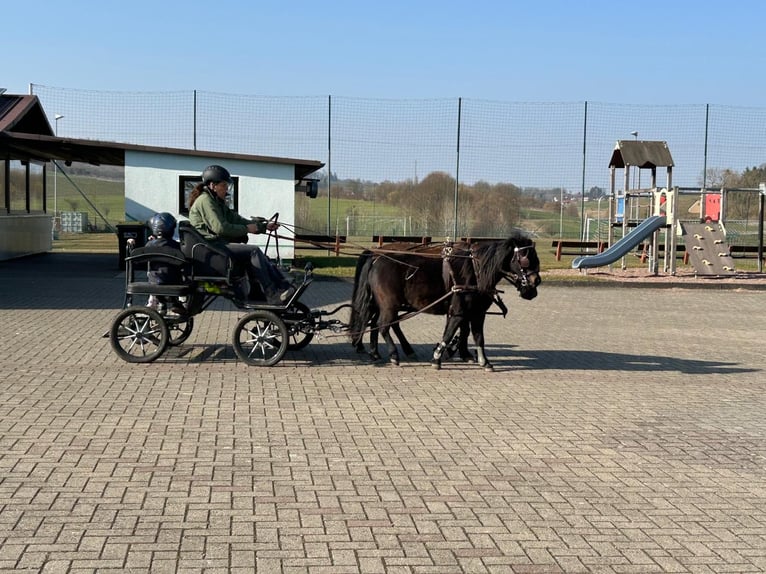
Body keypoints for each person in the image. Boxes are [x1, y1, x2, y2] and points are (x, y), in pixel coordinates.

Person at [187, 164, 295, 304]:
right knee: (254, 252)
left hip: (216, 246)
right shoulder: (205, 201)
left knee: (259, 257)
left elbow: (236, 219)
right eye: (224, 186)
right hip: (212, 248)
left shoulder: (216, 202)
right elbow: (221, 228)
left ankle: (272, 289)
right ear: (213, 185)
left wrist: (263, 227)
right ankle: (272, 293)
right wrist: (247, 229)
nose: (226, 190)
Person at [145, 212, 187, 315]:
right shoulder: (176, 246)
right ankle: (175, 303)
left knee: (156, 277)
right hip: (174, 280)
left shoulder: (150, 245)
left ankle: (162, 304)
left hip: (155, 280)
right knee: (173, 275)